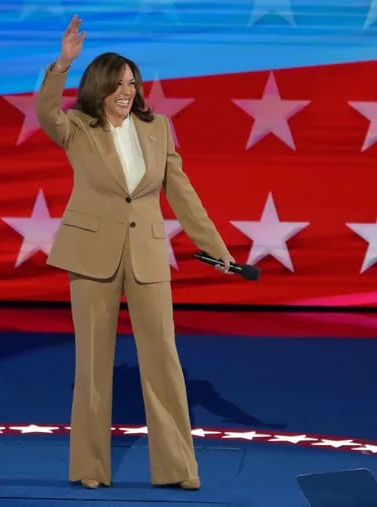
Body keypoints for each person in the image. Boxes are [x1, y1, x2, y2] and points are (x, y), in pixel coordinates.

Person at [35, 15, 236, 491]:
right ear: (101, 86)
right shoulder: (78, 128)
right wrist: (62, 64)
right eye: (119, 83)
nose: (128, 90)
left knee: (164, 360)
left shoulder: (158, 128)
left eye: (133, 83)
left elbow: (182, 194)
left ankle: (177, 469)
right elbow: (46, 112)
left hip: (146, 257)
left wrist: (217, 251)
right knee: (92, 364)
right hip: (91, 255)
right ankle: (90, 469)